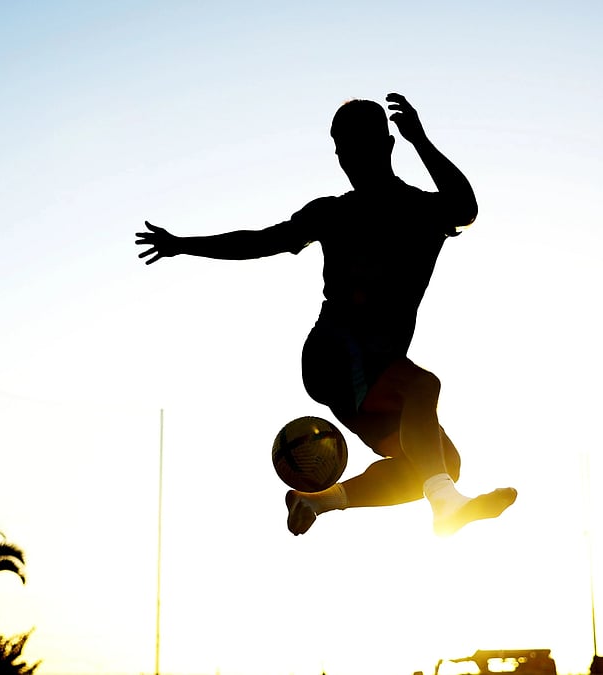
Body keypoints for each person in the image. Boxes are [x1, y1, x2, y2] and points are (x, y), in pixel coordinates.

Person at [136, 92, 516, 537]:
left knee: (442, 464)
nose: (347, 158)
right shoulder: (333, 213)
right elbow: (260, 241)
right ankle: (446, 506)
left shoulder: (424, 211)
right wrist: (183, 244)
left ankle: (315, 502)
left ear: (387, 144)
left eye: (357, 145)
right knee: (423, 388)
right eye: (341, 149)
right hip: (334, 357)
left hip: (376, 375)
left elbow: (466, 208)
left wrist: (421, 140)